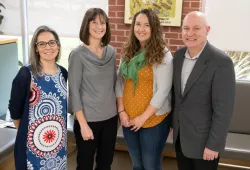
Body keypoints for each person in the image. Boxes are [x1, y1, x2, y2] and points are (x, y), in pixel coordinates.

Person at [172, 11, 235, 170]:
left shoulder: (221, 62)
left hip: (205, 144)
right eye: (186, 28)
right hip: (181, 138)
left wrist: (214, 145)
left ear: (207, 30)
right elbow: (178, 97)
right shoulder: (178, 56)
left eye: (196, 28)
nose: (190, 33)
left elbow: (224, 110)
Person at [116, 9, 173, 170]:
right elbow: (120, 82)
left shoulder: (163, 55)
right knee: (137, 164)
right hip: (129, 119)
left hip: (153, 120)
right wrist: (122, 112)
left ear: (154, 28)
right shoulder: (128, 50)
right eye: (138, 24)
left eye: (146, 25)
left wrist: (143, 118)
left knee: (151, 166)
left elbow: (163, 91)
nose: (141, 29)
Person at [8, 25, 68, 170]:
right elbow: (14, 110)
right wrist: (27, 133)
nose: (48, 47)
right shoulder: (26, 74)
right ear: (36, 48)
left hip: (58, 145)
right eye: (42, 44)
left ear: (58, 45)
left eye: (52, 42)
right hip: (32, 148)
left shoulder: (63, 73)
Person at [68, 8, 117, 170]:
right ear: (86, 25)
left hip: (110, 119)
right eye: (94, 22)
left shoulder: (111, 52)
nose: (99, 26)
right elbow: (74, 91)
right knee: (85, 164)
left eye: (102, 22)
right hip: (87, 120)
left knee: (105, 163)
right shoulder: (77, 55)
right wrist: (83, 125)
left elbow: (114, 84)